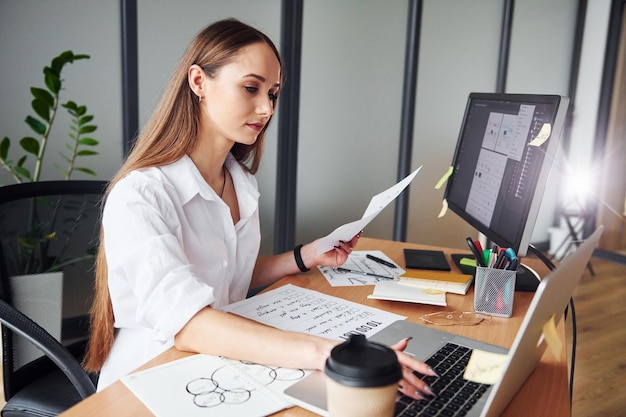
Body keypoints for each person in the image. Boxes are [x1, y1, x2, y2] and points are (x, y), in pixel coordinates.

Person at [84, 18, 437, 399]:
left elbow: (227, 274)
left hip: (222, 359)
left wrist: (306, 256)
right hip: (151, 377)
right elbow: (188, 324)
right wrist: (331, 353)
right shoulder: (140, 195)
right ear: (199, 82)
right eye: (251, 88)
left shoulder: (240, 182)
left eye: (273, 93)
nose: (266, 108)